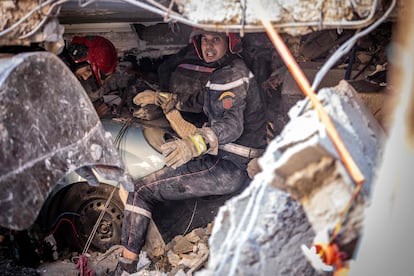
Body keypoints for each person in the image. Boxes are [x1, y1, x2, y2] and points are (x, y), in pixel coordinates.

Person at [113, 30, 267, 275]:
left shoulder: (232, 75)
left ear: (230, 42)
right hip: (228, 160)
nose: (209, 46)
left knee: (140, 191)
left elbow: (231, 125)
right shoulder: (222, 71)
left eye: (215, 39)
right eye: (204, 40)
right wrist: (161, 98)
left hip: (229, 166)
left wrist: (193, 144)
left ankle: (126, 267)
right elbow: (198, 101)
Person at [59, 35, 118, 117]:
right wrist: (91, 116)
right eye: (88, 70)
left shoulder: (69, 77)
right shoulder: (54, 80)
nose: (85, 77)